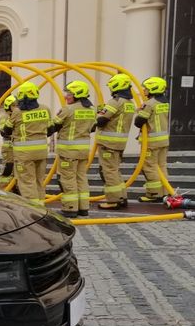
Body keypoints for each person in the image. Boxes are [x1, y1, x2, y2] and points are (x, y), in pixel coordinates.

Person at [48, 80, 96, 217]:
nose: (66, 96)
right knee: (81, 178)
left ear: (77, 94)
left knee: (67, 179)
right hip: (83, 151)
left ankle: (70, 207)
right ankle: (83, 207)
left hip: (68, 152)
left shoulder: (67, 110)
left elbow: (53, 127)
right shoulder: (92, 110)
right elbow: (93, 128)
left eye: (69, 94)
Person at [1, 81, 50, 207]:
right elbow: (50, 129)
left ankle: (33, 210)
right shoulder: (45, 109)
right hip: (42, 152)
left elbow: (6, 130)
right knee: (39, 181)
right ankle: (41, 206)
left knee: (27, 182)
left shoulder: (17, 112)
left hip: (24, 154)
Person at [95, 72, 136, 210]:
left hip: (108, 144)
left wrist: (98, 114)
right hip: (119, 143)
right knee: (115, 171)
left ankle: (113, 200)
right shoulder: (130, 103)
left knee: (109, 172)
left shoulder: (115, 101)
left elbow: (102, 121)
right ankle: (121, 197)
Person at [135, 76, 171, 202]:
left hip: (152, 141)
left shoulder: (150, 104)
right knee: (161, 166)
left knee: (149, 166)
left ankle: (154, 194)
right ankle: (165, 191)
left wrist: (140, 110)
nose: (144, 90)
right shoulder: (165, 102)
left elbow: (139, 122)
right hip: (163, 140)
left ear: (153, 88)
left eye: (146, 88)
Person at [0, 95, 18, 192]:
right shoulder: (4, 117)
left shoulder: (18, 115)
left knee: (17, 170)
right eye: (14, 105)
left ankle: (15, 190)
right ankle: (3, 190)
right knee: (7, 170)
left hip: (17, 148)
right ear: (8, 106)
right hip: (8, 148)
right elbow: (3, 131)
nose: (16, 107)